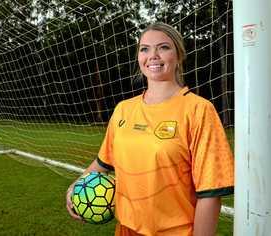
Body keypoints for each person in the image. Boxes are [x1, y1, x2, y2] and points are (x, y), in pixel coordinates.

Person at [66, 22, 234, 236]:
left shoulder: (199, 110)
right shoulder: (123, 110)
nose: (153, 55)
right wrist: (75, 187)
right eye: (145, 49)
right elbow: (102, 163)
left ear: (179, 55)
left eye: (163, 47)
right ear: (139, 57)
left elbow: (210, 193)